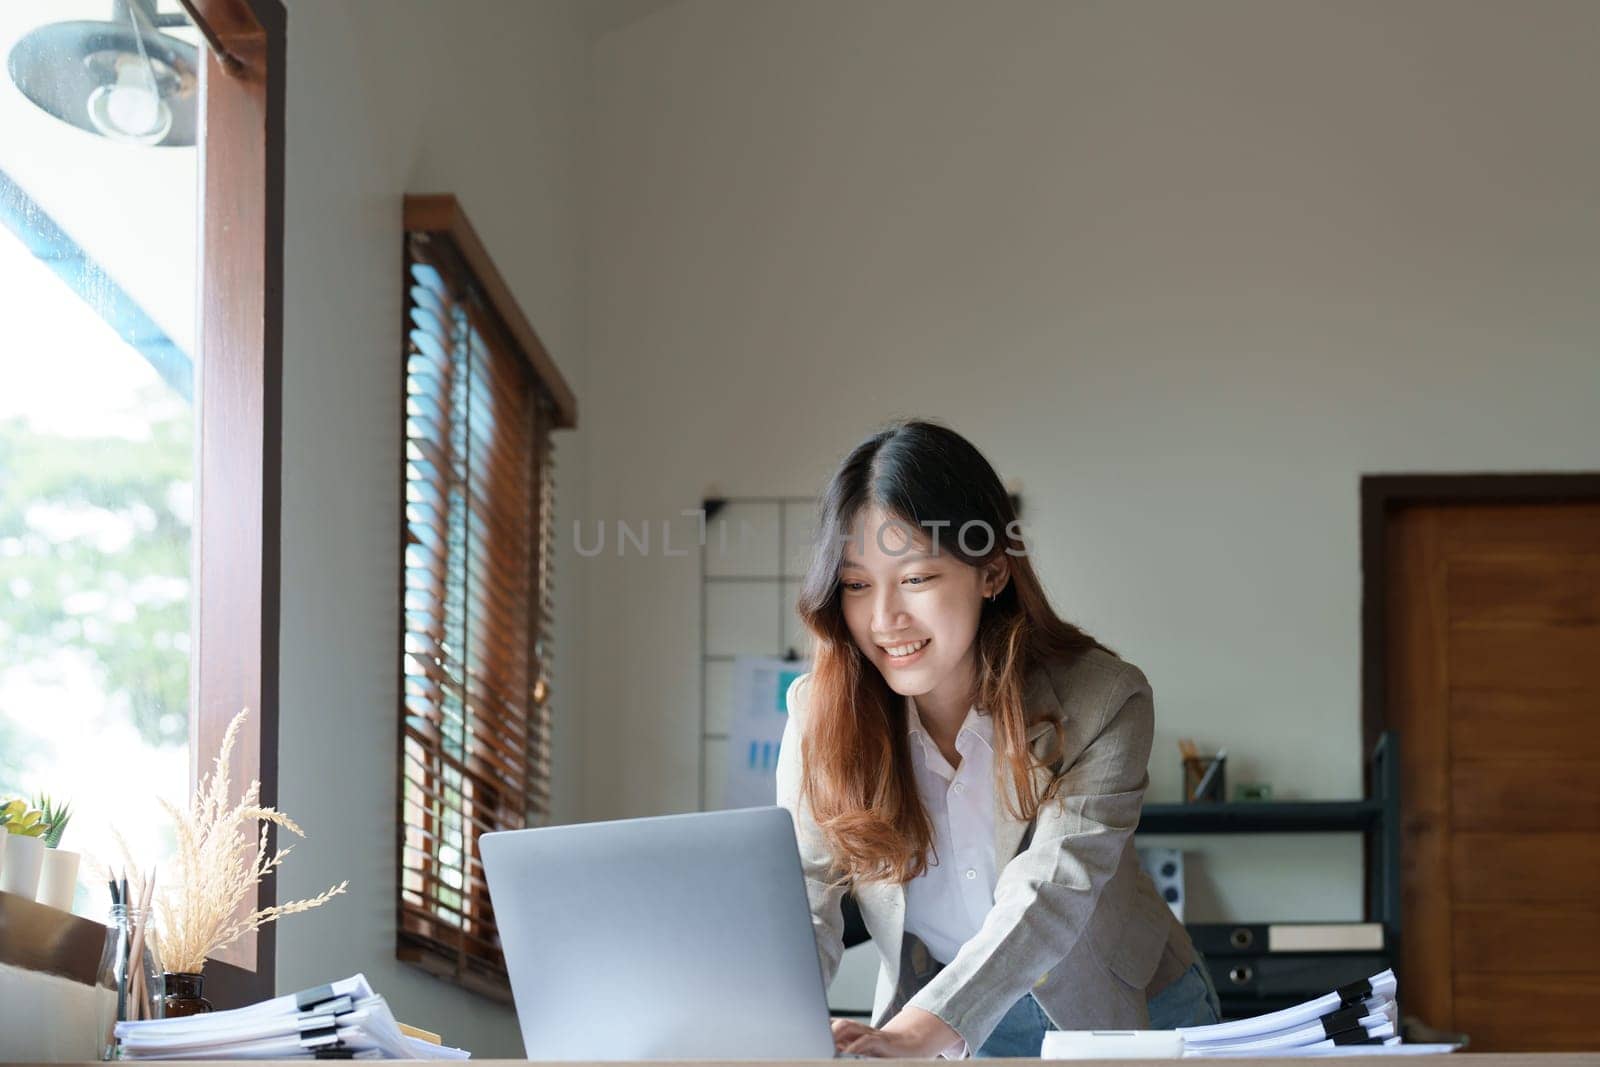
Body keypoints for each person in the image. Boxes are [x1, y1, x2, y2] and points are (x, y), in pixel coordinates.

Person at [774, 419, 1221, 1058]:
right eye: (855, 584)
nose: (884, 619)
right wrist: (779, 1026)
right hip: (941, 1016)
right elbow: (805, 894)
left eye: (917, 578)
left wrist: (914, 1033)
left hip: (1123, 1009)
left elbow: (1050, 892)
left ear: (991, 573)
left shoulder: (1104, 699)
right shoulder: (820, 713)